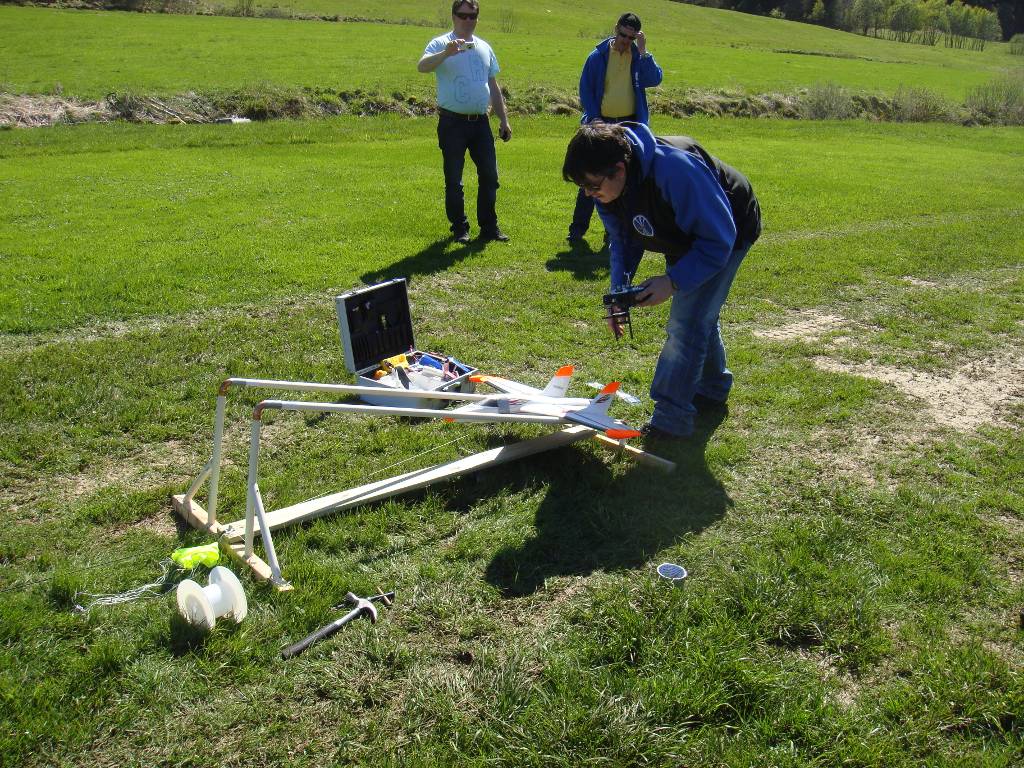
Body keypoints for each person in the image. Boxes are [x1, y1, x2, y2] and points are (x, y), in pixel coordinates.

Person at [562, 122, 762, 440]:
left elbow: (717, 241)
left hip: (727, 231)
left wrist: (672, 281)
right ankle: (712, 388)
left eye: (592, 185)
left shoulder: (675, 171)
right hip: (679, 232)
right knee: (698, 315)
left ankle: (671, 419)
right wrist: (619, 294)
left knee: (687, 322)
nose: (588, 193)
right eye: (582, 187)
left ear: (619, 169)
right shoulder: (608, 187)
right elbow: (622, 239)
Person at [418, 0, 512, 244]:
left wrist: (504, 120)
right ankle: (460, 228)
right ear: (453, 16)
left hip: (480, 123)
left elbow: (493, 87)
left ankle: (489, 227)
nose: (468, 20)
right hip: (452, 123)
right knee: (454, 179)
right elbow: (422, 66)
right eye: (463, 15)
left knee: (490, 176)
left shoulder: (484, 47)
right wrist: (446, 53)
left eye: (473, 16)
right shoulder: (441, 43)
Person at [568, 12, 663, 247]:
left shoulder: (637, 56)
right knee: (590, 174)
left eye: (631, 38)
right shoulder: (598, 57)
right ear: (616, 29)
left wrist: (643, 51)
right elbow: (586, 89)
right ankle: (577, 230)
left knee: (622, 178)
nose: (625, 41)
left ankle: (613, 232)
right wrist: (594, 118)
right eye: (623, 35)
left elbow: (654, 79)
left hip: (629, 126)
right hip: (601, 123)